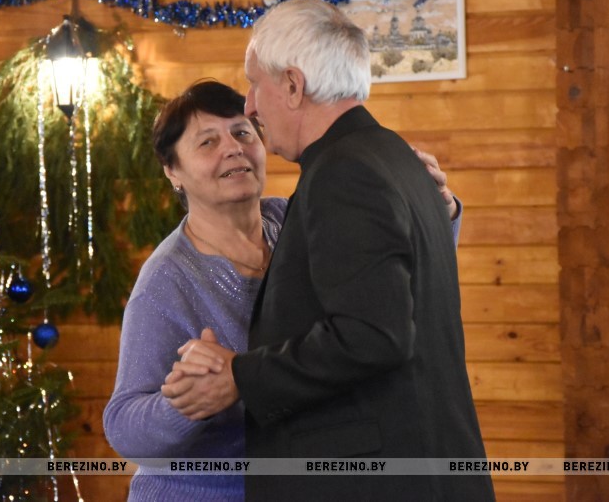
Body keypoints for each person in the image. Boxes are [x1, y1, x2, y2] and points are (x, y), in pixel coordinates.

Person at [161, 0, 495, 501]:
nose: (250, 105)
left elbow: (372, 335)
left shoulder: (343, 173)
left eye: (255, 84)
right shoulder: (393, 155)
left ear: (293, 86)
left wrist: (239, 376)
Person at [103, 80, 462, 501]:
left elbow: (378, 281)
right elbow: (123, 425)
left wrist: (435, 213)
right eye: (207, 142)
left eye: (243, 132)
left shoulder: (289, 215)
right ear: (173, 171)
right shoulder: (166, 280)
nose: (233, 148)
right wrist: (186, 402)